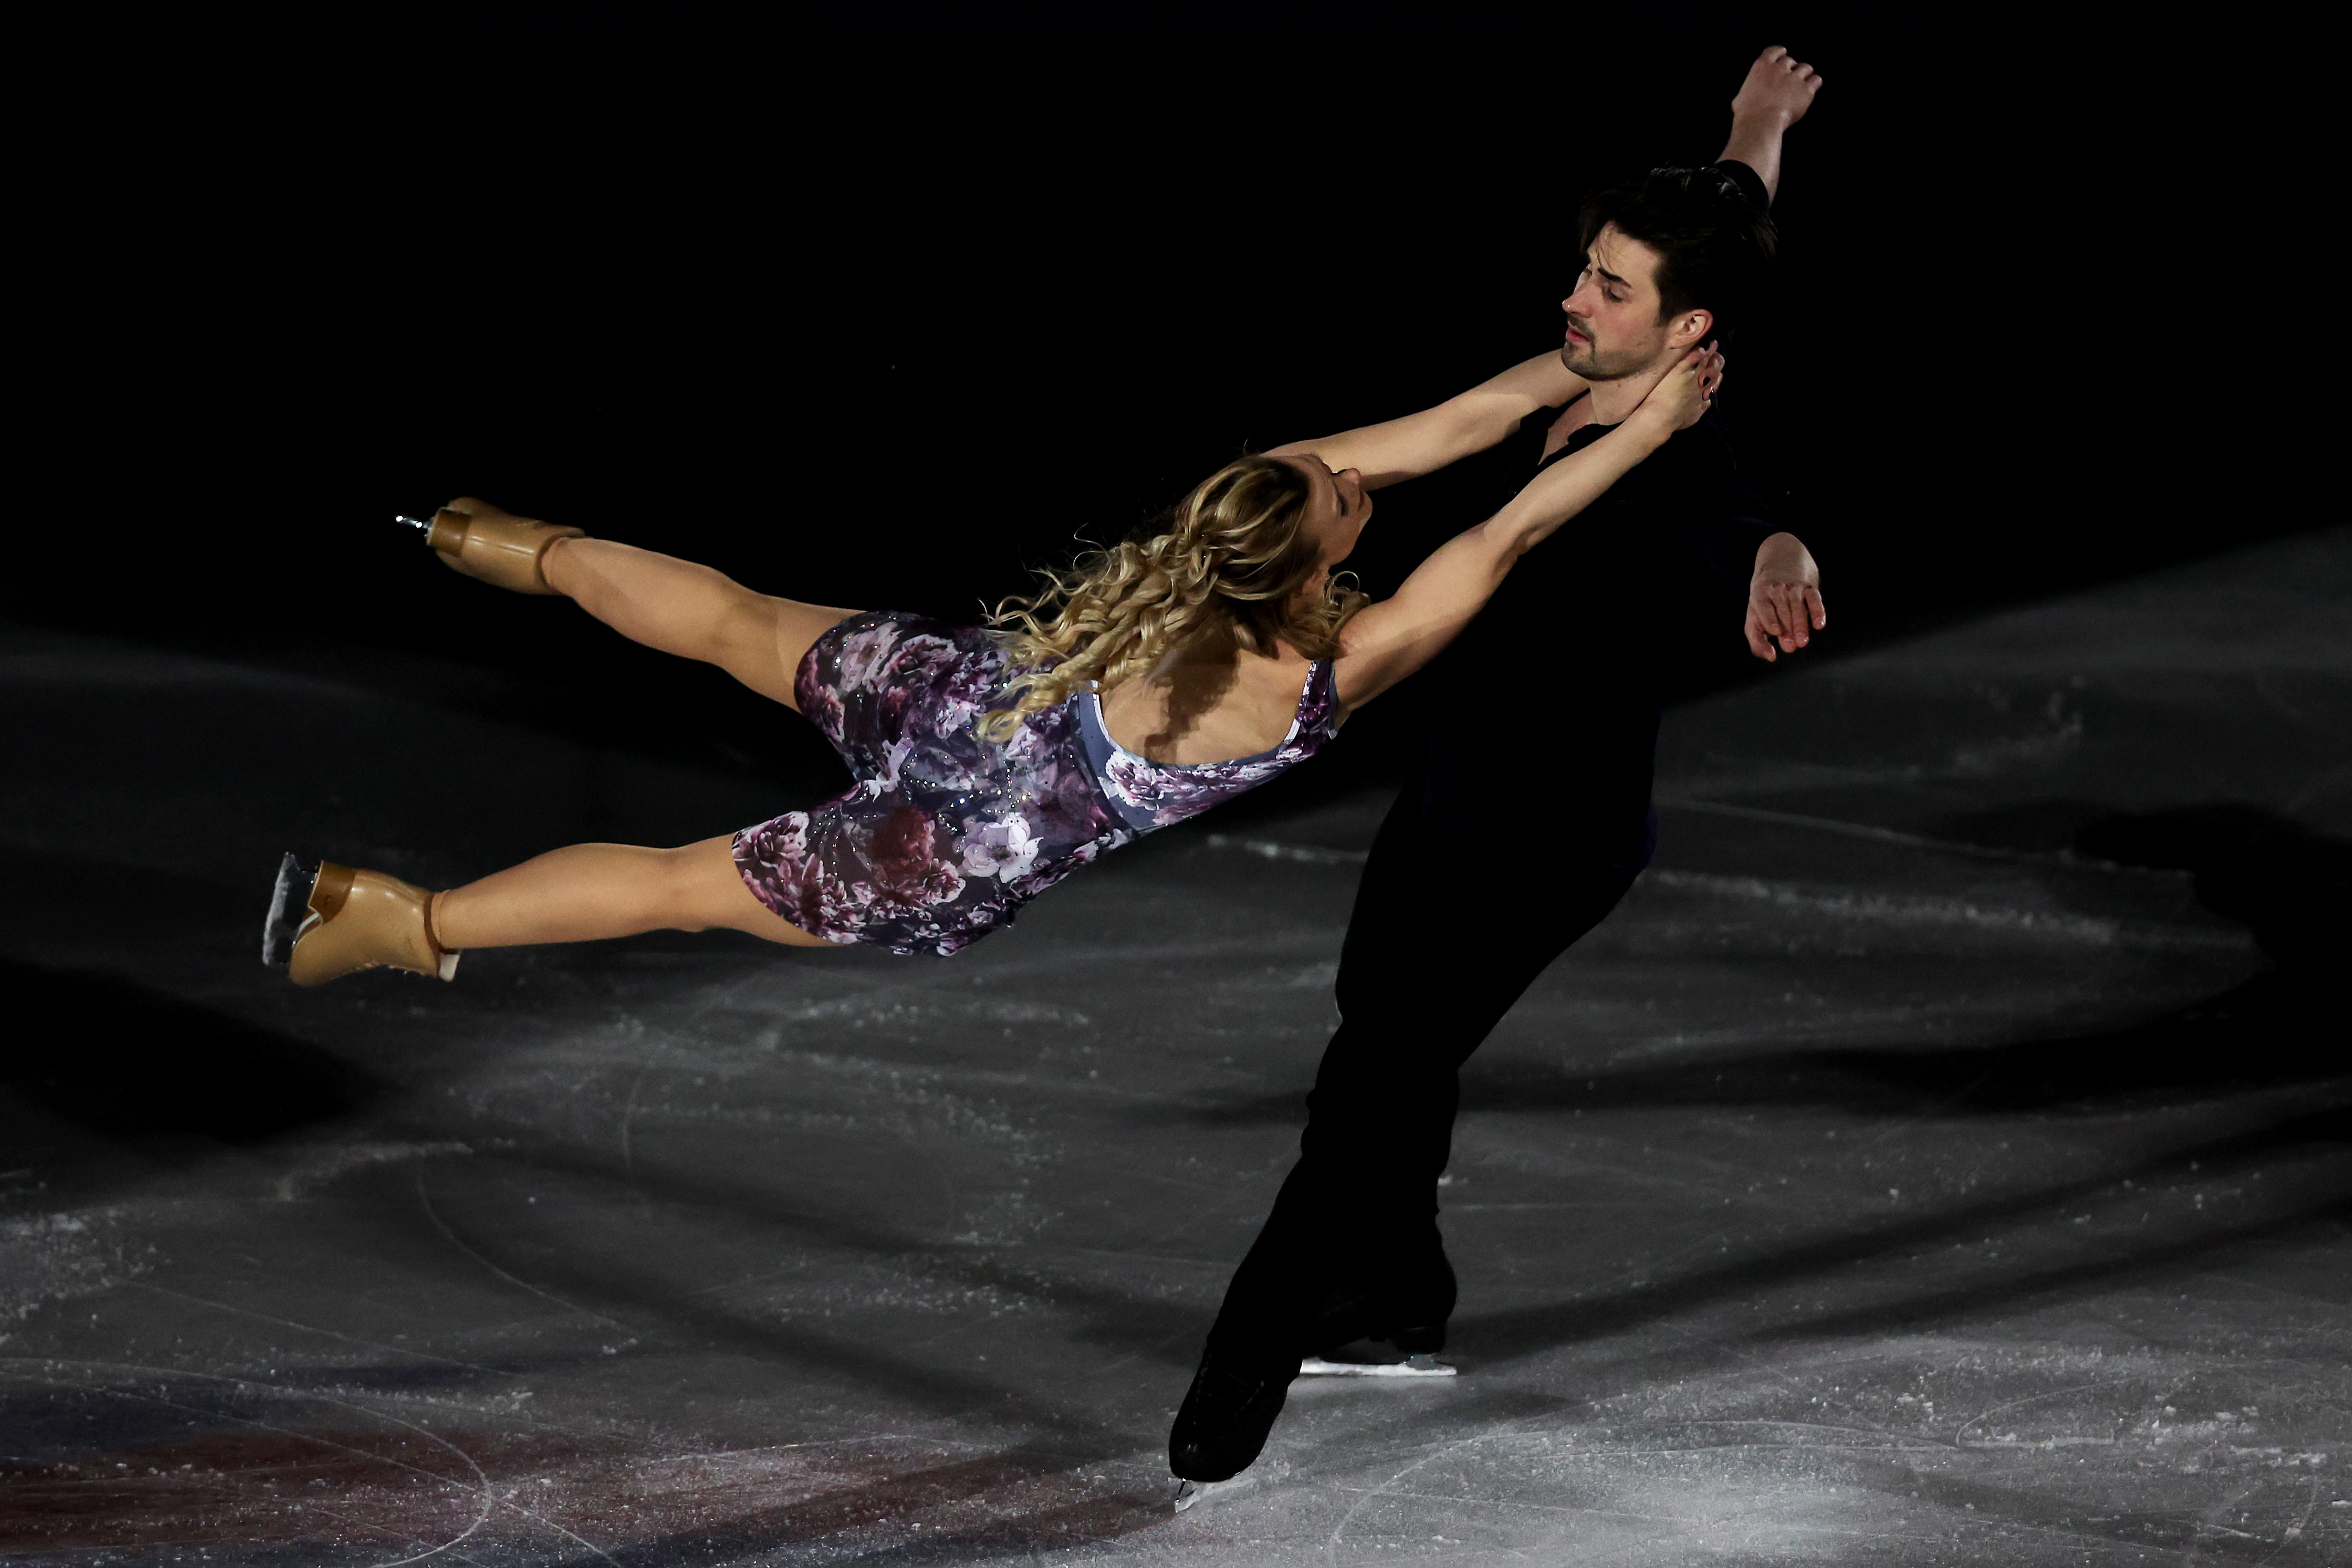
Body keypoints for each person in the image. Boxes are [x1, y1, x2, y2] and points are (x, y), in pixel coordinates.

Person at [1169, 45, 1828, 1496]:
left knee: (1378, 1064)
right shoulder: (1610, 354)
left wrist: (1779, 551)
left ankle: (1256, 1343)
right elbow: (1731, 210)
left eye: (1606, 289)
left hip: (1555, 833)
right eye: (1585, 270)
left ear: (1687, 331)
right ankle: (1394, 1295)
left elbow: (1739, 524)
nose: (1573, 299)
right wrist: (1754, 125)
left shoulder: (1683, 455)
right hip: (1463, 785)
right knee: (1378, 1019)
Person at [263, 344, 1724, 984]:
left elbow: (1467, 421)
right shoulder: (1333, 668)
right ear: (1308, 561)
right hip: (956, 837)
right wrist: (1646, 427)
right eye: (1352, 497)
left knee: (729, 616)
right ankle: (399, 915)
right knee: (673, 887)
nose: (1362, 485)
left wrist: (1591, 370)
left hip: (977, 695)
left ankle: (495, 539)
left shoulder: (1240, 506)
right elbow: (1513, 518)